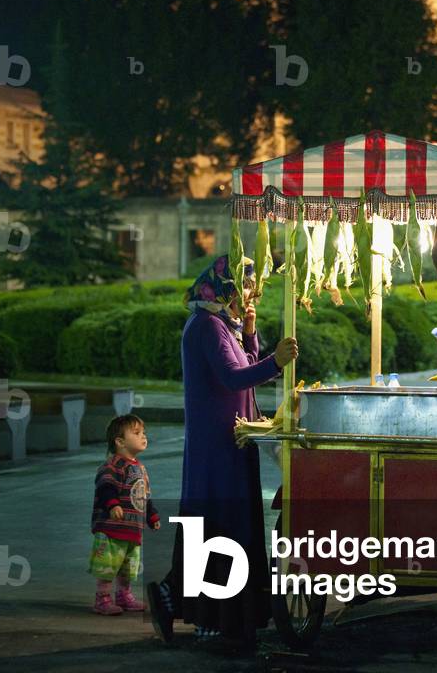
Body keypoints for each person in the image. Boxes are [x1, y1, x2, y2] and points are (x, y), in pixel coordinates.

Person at [147, 254, 298, 648]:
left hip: (229, 440)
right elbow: (234, 377)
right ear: (226, 287)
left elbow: (242, 363)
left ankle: (188, 602)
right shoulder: (208, 327)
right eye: (246, 285)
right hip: (216, 445)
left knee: (223, 522)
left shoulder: (218, 324)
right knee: (219, 526)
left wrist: (250, 335)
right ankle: (205, 615)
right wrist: (276, 362)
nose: (251, 293)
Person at [89, 414, 160, 615]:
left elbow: (144, 495)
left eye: (143, 432)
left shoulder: (141, 469)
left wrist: (151, 515)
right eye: (137, 433)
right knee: (108, 565)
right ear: (120, 441)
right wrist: (112, 505)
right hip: (112, 528)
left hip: (132, 528)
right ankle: (102, 599)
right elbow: (105, 487)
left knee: (128, 566)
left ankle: (124, 595)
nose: (144, 436)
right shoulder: (112, 466)